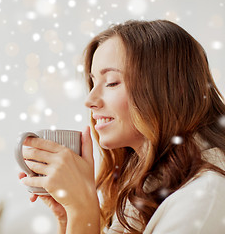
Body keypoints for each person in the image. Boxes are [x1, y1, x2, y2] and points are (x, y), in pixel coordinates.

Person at [18, 19, 225, 233]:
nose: (90, 99)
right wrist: (69, 217)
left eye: (112, 82)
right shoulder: (141, 192)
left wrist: (83, 210)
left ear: (174, 88)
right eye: (92, 82)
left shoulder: (203, 198)